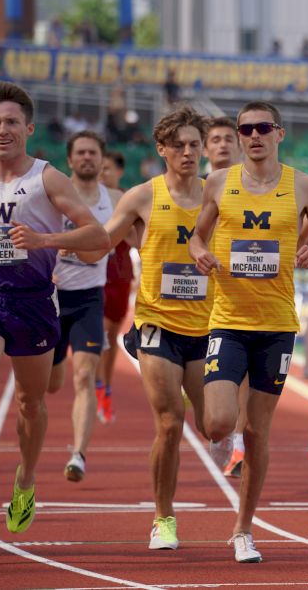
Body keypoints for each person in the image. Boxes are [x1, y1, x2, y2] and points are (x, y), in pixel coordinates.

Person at [189, 101, 308, 563]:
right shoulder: (218, 183)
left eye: (262, 128)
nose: (253, 136)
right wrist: (200, 252)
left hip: (276, 325)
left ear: (279, 134)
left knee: (257, 432)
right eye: (245, 129)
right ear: (238, 137)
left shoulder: (304, 187)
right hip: (228, 319)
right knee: (218, 420)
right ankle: (220, 438)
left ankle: (242, 530)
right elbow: (197, 236)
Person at [81, 106, 213, 550]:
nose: (189, 152)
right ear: (162, 150)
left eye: (196, 144)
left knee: (213, 424)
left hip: (209, 325)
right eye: (179, 145)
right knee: (170, 422)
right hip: (157, 323)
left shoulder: (221, 194)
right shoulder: (142, 196)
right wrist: (53, 247)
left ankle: (219, 434)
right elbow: (104, 238)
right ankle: (164, 518)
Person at [0, 82, 108, 532]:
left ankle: (26, 479)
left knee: (30, 403)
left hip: (34, 302)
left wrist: (44, 240)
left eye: (11, 122)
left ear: (28, 128)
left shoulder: (47, 178)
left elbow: (98, 237)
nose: (3, 130)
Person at [45, 131, 123, 482]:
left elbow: (148, 235)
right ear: (70, 159)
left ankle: (78, 454)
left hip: (90, 298)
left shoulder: (116, 199)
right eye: (81, 152)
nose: (88, 157)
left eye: (94, 152)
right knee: (50, 383)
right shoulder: (53, 196)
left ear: (102, 160)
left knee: (84, 376)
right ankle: (53, 363)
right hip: (50, 299)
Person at [203, 115, 249, 477]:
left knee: (243, 371)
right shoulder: (196, 187)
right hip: (195, 298)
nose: (221, 145)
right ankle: (223, 429)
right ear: (206, 148)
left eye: (227, 139)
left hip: (239, 295)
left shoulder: (254, 187)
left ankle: (238, 439)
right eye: (214, 139)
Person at [96, 150, 135, 424]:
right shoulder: (85, 199)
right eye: (100, 168)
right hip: (91, 276)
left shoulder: (127, 200)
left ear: (119, 171)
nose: (102, 173)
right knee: (96, 337)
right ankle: (95, 389)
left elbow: (138, 240)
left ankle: (105, 386)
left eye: (107, 168)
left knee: (109, 338)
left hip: (119, 276)